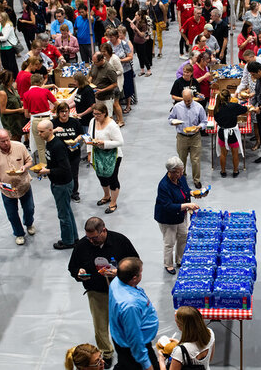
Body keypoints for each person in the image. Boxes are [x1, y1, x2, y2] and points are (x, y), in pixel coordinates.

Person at [68, 217, 139, 367]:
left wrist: (120, 272)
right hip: (97, 292)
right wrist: (78, 273)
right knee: (100, 326)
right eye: (89, 238)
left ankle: (131, 349)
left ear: (104, 230)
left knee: (127, 322)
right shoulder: (82, 245)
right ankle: (106, 353)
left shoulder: (120, 241)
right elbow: (72, 267)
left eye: (94, 237)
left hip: (122, 291)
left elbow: (135, 263)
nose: (91, 241)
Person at [108, 257, 161, 369]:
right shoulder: (130, 306)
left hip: (119, 336)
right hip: (132, 349)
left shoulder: (117, 281)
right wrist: (146, 364)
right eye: (140, 272)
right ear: (134, 278)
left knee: (123, 363)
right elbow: (134, 337)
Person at [155, 156, 203, 275]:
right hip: (168, 218)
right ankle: (168, 264)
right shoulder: (164, 186)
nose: (181, 174)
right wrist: (188, 205)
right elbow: (168, 206)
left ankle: (180, 259)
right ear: (170, 172)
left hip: (180, 215)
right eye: (178, 172)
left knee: (183, 236)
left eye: (182, 170)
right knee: (169, 242)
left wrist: (193, 193)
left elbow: (185, 190)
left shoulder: (180, 178)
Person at [0, 129, 36, 245]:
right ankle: (19, 233)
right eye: (2, 141)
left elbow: (29, 161)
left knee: (29, 208)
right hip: (7, 189)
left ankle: (29, 223)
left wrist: (25, 167)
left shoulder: (20, 146)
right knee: (12, 214)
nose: (6, 143)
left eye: (7, 140)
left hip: (23, 184)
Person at [36, 119, 79, 250]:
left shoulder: (57, 146)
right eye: (38, 131)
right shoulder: (49, 141)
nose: (39, 134)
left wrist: (47, 171)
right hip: (58, 182)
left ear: (49, 131)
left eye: (41, 131)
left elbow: (65, 169)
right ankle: (73, 237)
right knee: (67, 211)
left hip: (62, 184)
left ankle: (68, 241)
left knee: (63, 214)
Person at [88, 103, 124, 214]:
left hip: (113, 156)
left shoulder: (112, 125)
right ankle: (106, 195)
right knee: (101, 176)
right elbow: (89, 137)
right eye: (94, 114)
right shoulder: (93, 122)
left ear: (105, 113)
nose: (96, 116)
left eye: (98, 114)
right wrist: (89, 152)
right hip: (98, 154)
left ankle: (113, 202)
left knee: (112, 178)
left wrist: (104, 143)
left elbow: (120, 142)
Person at [169, 87, 206, 189]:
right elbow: (170, 119)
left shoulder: (199, 107)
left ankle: (196, 180)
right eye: (185, 100)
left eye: (188, 100)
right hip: (182, 137)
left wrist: (199, 127)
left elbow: (204, 121)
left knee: (195, 160)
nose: (186, 102)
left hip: (195, 137)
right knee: (181, 160)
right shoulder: (177, 107)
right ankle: (181, 179)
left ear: (192, 97)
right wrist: (173, 122)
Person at [214, 89, 251, 178]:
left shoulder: (216, 108)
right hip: (233, 133)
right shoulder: (234, 106)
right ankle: (235, 171)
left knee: (223, 153)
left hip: (222, 132)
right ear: (229, 98)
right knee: (235, 153)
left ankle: (223, 171)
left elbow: (216, 120)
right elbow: (245, 109)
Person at [24, 73, 59, 164]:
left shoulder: (26, 94)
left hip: (35, 120)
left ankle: (44, 168)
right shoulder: (46, 92)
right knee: (52, 143)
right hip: (47, 120)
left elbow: (26, 114)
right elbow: (58, 104)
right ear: (41, 82)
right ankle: (54, 164)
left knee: (40, 147)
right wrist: (53, 110)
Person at [53, 102, 84, 203]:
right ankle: (64, 192)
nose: (64, 114)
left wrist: (76, 140)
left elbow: (81, 134)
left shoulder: (74, 122)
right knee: (61, 174)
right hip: (60, 155)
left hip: (74, 152)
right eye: (62, 112)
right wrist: (54, 131)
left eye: (66, 111)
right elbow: (45, 134)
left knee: (74, 174)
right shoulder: (53, 123)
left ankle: (74, 193)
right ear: (58, 113)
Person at [89, 52, 122, 126]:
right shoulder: (94, 65)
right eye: (93, 61)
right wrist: (89, 82)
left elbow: (115, 84)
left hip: (107, 97)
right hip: (97, 95)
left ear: (101, 60)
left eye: (95, 62)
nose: (94, 63)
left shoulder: (109, 69)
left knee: (108, 117)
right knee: (98, 115)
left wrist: (102, 90)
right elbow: (92, 75)